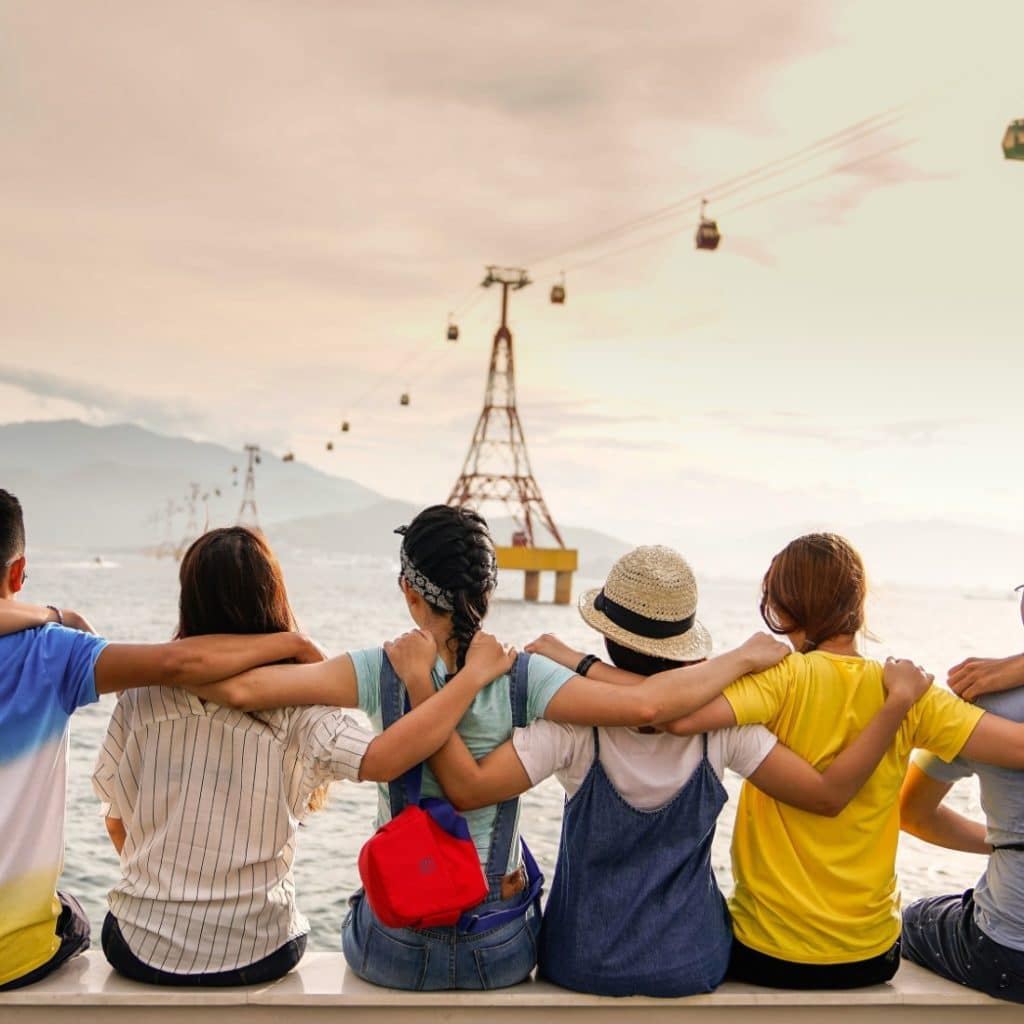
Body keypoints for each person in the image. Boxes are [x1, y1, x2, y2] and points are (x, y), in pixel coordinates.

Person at [191, 507, 809, 991]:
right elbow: (649, 705)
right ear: (490, 589)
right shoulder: (528, 678)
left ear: (410, 592)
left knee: (362, 905)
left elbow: (241, 690)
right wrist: (740, 658)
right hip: (499, 945)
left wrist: (285, 644)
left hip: (396, 947)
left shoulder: (376, 667)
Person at [385, 544, 933, 997]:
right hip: (692, 964)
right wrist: (892, 707)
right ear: (685, 646)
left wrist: (425, 688)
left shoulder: (574, 727)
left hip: (581, 963)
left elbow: (468, 788)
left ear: (605, 636)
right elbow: (822, 793)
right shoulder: (723, 727)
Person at [83, 526, 517, 987]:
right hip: (260, 949)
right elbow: (384, 759)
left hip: (141, 947)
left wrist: (172, 896)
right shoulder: (301, 707)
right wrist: (467, 680)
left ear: (188, 600)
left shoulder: (142, 698)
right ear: (273, 599)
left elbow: (117, 821)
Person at [637, 533, 1024, 990]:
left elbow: (669, 716)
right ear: (860, 604)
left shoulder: (779, 680)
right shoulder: (909, 693)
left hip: (766, 952)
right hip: (870, 958)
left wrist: (738, 659)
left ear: (779, 611)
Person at [0, 491, 323, 991]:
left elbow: (118, 819)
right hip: (12, 957)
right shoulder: (52, 653)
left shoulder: (66, 652)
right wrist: (295, 645)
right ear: (17, 573)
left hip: (139, 949)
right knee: (69, 917)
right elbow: (178, 665)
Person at [898, 584, 1024, 1003]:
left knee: (914, 919)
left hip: (1008, 954)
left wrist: (1004, 847)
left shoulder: (987, 705)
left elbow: (913, 813)